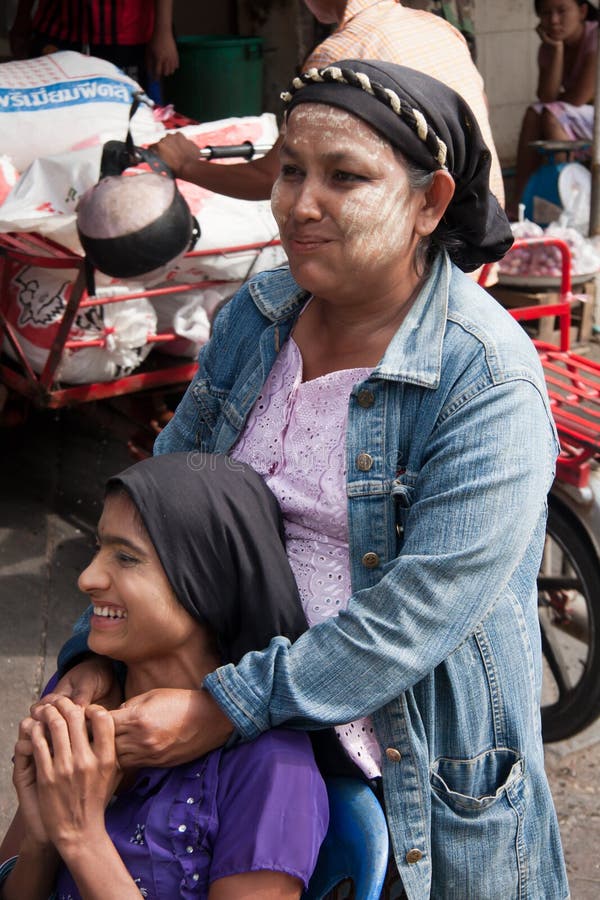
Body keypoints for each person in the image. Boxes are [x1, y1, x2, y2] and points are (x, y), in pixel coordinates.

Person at [40, 60, 568, 898]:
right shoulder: (261, 314)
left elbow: (412, 617)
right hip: (234, 724)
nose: (298, 203)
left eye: (344, 177)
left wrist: (220, 710)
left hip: (404, 768)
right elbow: (163, 500)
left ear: (429, 204)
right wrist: (92, 657)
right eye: (289, 170)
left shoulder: (487, 384)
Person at [0, 454, 328, 900]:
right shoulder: (80, 700)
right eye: (98, 549)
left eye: (126, 557)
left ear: (207, 581)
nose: (87, 577)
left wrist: (79, 837)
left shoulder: (272, 770)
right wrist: (41, 841)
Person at [151, 0, 504, 208]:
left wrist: (185, 163)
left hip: (422, 263)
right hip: (481, 241)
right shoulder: (439, 29)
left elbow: (269, 176)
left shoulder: (339, 55)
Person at [513, 0, 598, 211]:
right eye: (546, 13)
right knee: (534, 113)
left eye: (561, 11)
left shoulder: (595, 37)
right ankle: (518, 203)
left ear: (582, 11)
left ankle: (568, 202)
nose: (554, 20)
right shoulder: (549, 45)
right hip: (580, 116)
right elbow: (546, 97)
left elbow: (579, 97)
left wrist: (558, 99)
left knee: (550, 115)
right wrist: (557, 50)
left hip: (595, 119)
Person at [8, 0, 179, 91]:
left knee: (123, 117)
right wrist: (22, 18)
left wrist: (163, 31)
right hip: (57, 26)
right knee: (49, 109)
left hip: (124, 29)